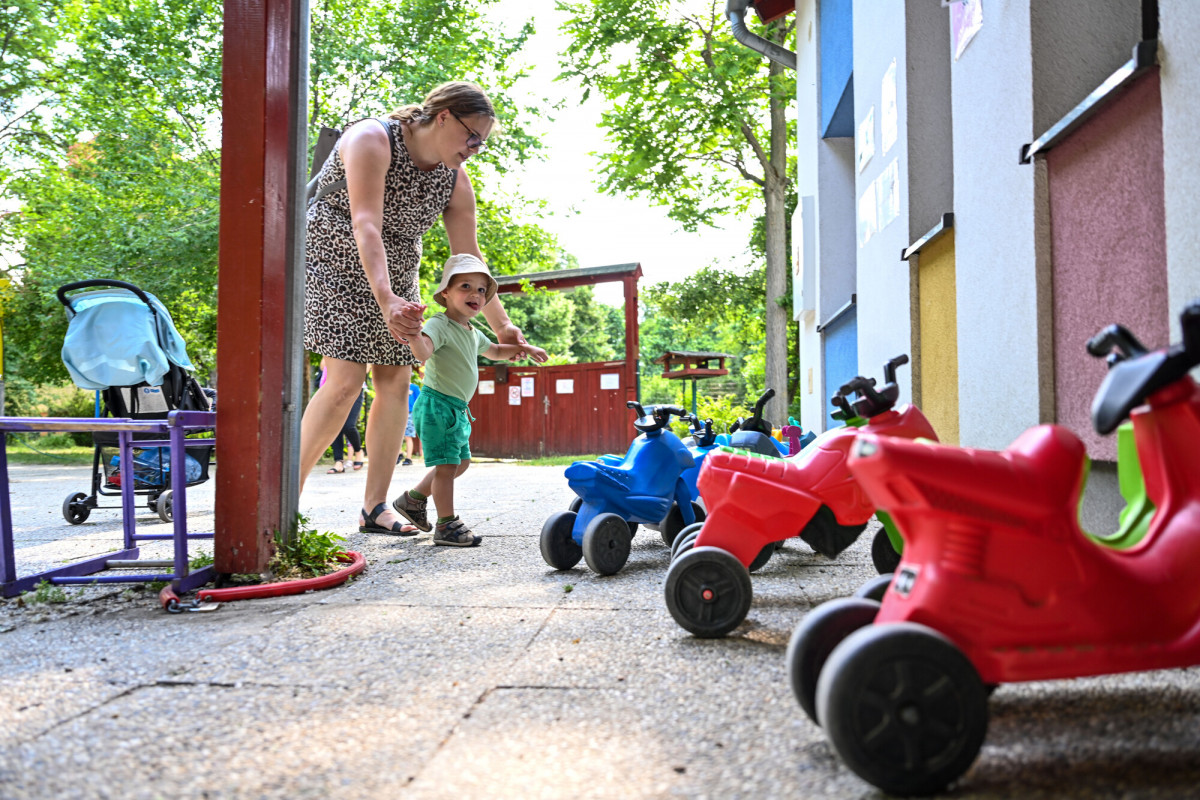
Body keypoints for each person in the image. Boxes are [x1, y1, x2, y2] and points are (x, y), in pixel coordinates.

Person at [298, 81, 531, 534]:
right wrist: (385, 298)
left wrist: (502, 325)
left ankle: (374, 507)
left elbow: (469, 256)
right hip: (334, 256)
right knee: (345, 380)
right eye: (472, 137)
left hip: (398, 266)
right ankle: (285, 500)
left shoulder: (454, 178)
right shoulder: (372, 138)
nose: (474, 149)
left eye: (481, 143)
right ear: (443, 116)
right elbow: (366, 222)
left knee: (396, 378)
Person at [392, 254, 547, 546]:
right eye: (465, 286)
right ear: (445, 293)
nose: (475, 294)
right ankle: (446, 525)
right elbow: (423, 352)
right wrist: (413, 333)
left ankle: (412, 500)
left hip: (456, 409)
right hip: (438, 406)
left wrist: (527, 348)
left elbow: (496, 351)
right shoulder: (439, 323)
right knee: (447, 467)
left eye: (481, 290)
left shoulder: (472, 332)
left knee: (460, 463)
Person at [320, 357, 367, 474]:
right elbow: (323, 366)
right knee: (335, 427)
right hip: (334, 390)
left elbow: (366, 369)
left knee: (348, 425)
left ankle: (358, 451)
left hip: (355, 389)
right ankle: (338, 462)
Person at [400, 367, 421, 466]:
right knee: (397, 435)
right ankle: (399, 454)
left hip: (410, 413)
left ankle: (408, 458)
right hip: (399, 413)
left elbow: (419, 401)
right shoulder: (398, 387)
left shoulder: (414, 388)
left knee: (408, 436)